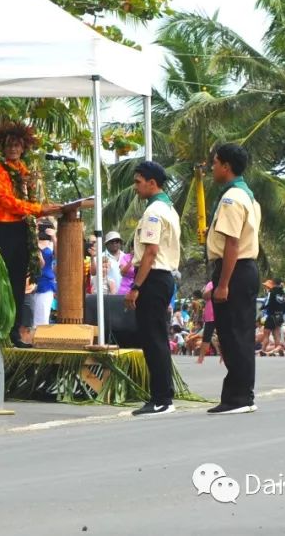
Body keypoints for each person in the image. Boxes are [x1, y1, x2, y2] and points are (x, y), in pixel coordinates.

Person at [0, 121, 60, 348]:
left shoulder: (25, 171)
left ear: (23, 147)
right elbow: (8, 202)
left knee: (18, 282)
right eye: (9, 145)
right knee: (2, 281)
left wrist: (43, 207)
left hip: (21, 230)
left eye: (17, 145)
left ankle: (14, 331)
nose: (13, 149)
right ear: (3, 148)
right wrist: (39, 209)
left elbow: (29, 203)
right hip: (3, 230)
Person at [205, 142, 261, 415]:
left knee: (233, 335)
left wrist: (223, 283)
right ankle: (239, 394)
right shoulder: (247, 195)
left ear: (226, 166)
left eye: (215, 162)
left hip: (235, 269)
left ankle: (240, 397)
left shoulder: (231, 199)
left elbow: (232, 244)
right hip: (245, 268)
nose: (212, 167)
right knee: (239, 333)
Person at [125, 161, 180, 416]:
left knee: (153, 338)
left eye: (138, 182)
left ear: (152, 183)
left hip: (153, 277)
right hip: (162, 276)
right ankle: (162, 395)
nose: (136, 187)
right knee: (156, 336)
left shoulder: (154, 211)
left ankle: (161, 398)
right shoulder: (168, 207)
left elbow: (150, 252)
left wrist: (136, 286)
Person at [32, 221, 56, 327]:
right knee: (30, 314)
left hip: (46, 281)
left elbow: (58, 255)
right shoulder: (32, 242)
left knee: (43, 313)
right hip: (31, 281)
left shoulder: (51, 244)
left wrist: (54, 237)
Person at [261, 280, 285, 355]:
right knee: (277, 335)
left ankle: (262, 350)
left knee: (266, 334)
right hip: (280, 316)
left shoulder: (271, 293)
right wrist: (280, 313)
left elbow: (267, 304)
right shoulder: (284, 294)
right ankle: (276, 351)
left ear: (273, 284)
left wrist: (262, 308)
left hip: (271, 316)